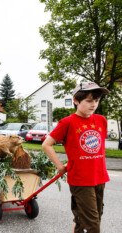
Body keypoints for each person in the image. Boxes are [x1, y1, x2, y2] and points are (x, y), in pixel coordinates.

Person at [42, 82, 110, 233]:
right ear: (76, 101)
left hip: (99, 177)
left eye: (97, 100)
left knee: (91, 218)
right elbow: (47, 144)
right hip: (81, 181)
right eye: (89, 100)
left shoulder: (101, 121)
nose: (94, 105)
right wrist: (60, 166)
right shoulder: (67, 122)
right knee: (93, 225)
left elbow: (95, 149)